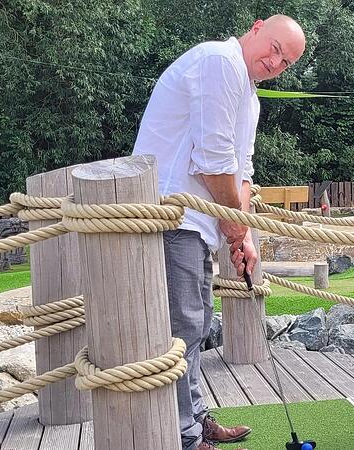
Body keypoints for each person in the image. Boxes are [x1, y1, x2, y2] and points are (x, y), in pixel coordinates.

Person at [132, 15, 306, 450]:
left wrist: (241, 233)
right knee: (183, 325)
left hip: (198, 223)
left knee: (196, 321)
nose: (275, 61)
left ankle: (193, 420)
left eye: (285, 62)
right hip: (172, 216)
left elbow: (240, 168)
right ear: (256, 27)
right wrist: (233, 222)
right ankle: (185, 437)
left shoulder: (250, 96)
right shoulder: (219, 62)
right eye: (274, 48)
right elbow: (211, 160)